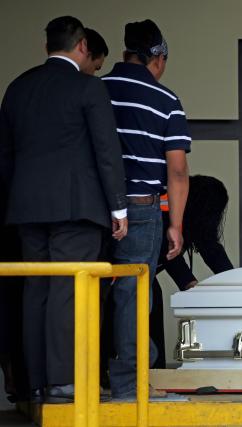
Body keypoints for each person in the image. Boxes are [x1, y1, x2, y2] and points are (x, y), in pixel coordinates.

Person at [0, 16, 128, 403]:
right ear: (84, 46)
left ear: (46, 47)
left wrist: (17, 198)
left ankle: (36, 381)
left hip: (25, 207)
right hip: (77, 207)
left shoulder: (17, 88)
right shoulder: (88, 87)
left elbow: (5, 156)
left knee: (35, 289)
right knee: (68, 291)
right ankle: (62, 381)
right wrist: (118, 209)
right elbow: (107, 152)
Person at [103, 19, 190, 399]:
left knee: (84, 290)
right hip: (140, 209)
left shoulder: (96, 89)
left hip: (93, 211)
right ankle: (129, 383)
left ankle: (82, 376)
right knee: (133, 294)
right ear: (156, 57)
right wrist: (176, 223)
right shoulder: (166, 100)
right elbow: (178, 170)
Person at [151, 175, 233, 368]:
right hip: (128, 273)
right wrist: (189, 282)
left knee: (153, 302)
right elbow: (168, 252)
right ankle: (150, 371)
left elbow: (211, 249)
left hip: (145, 275)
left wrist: (234, 282)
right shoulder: (166, 213)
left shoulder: (193, 222)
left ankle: (154, 371)